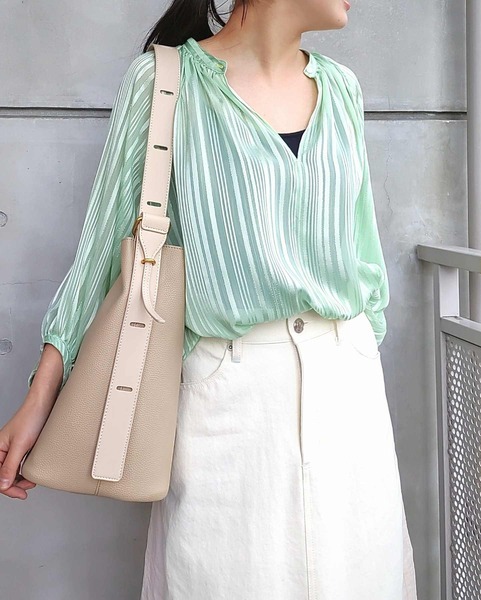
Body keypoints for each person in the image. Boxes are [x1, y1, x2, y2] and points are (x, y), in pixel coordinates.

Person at [0, 0, 419, 598]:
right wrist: (41, 397)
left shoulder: (340, 88)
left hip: (350, 395)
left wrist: (357, 364)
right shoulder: (165, 82)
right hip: (229, 396)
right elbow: (102, 252)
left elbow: (365, 255)